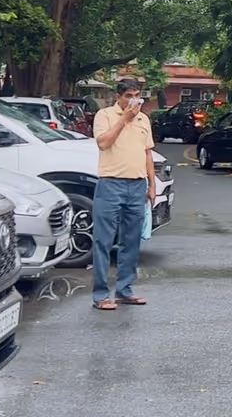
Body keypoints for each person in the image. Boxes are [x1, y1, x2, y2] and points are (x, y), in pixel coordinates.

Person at [90, 78, 156, 311]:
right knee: (103, 240)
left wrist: (151, 184)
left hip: (137, 186)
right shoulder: (105, 115)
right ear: (118, 97)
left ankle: (124, 290)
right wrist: (124, 120)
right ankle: (100, 294)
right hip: (111, 184)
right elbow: (103, 143)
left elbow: (148, 153)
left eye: (137, 95)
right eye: (128, 95)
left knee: (131, 241)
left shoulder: (143, 119)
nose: (133, 100)